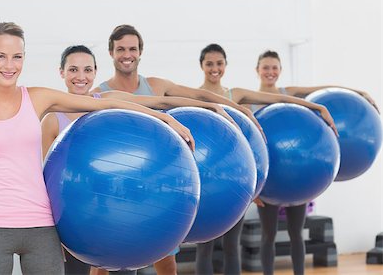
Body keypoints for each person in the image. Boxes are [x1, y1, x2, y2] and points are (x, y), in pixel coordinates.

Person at [0, 22, 197, 275]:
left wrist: (165, 119)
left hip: (41, 227)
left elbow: (104, 105)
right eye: (1, 56)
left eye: (17, 57)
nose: (9, 65)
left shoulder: (37, 98)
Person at [90, 24, 269, 275]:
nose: (126, 54)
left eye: (132, 48)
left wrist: (237, 109)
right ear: (111, 52)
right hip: (117, 189)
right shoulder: (100, 94)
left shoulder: (155, 86)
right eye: (120, 49)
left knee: (166, 265)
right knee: (104, 264)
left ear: (141, 52)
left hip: (161, 188)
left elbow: (200, 96)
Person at [42, 44, 236, 275]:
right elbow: (45, 181)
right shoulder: (52, 119)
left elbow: (158, 102)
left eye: (87, 70)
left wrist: (206, 107)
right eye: (73, 70)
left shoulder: (108, 102)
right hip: (74, 222)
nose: (81, 77)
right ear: (61, 72)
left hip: (124, 213)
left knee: (125, 268)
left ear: (95, 72)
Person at [195, 44, 339, 275]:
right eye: (209, 63)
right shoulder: (195, 96)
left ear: (225, 66)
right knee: (205, 248)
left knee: (232, 246)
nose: (215, 68)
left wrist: (317, 106)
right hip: (207, 181)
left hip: (236, 179)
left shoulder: (237, 95)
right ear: (201, 66)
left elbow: (276, 98)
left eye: (219, 63)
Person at [253, 49, 379, 275]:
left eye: (274, 68)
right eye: (266, 67)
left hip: (299, 177)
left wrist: (360, 93)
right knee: (268, 235)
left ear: (280, 70)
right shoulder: (250, 99)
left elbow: (324, 89)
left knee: (296, 233)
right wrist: (255, 189)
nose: (270, 72)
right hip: (269, 182)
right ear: (257, 70)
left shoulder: (287, 93)